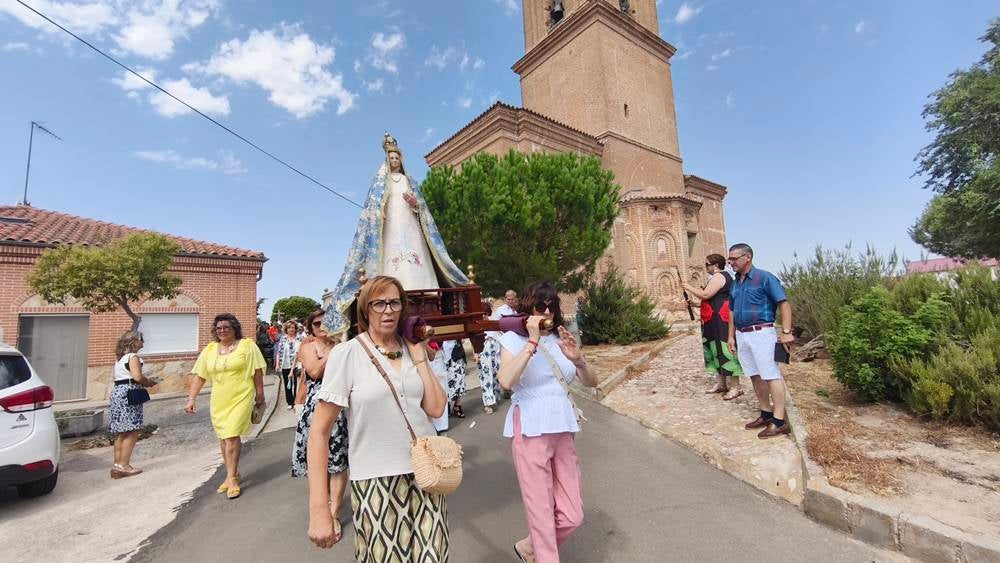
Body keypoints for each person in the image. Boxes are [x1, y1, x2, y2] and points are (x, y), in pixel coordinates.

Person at [307, 276, 448, 560]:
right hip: (376, 481)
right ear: (365, 309)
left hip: (426, 475)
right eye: (379, 303)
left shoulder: (412, 348)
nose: (388, 310)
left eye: (395, 302)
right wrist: (320, 509)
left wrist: (420, 356)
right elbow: (319, 433)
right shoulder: (347, 354)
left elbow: (435, 409)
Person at [322, 133, 468, 340]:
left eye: (397, 158)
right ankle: (394, 294)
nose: (394, 161)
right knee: (392, 257)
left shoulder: (410, 182)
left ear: (401, 160)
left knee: (416, 256)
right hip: (389, 227)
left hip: (410, 225)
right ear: (386, 161)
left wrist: (415, 204)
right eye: (391, 158)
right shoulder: (380, 184)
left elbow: (422, 208)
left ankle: (424, 298)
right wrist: (380, 212)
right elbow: (371, 209)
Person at [499, 281, 599, 563]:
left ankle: (530, 546)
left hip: (563, 427)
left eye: (551, 305)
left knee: (572, 514)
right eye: (540, 305)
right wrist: (531, 342)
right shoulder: (512, 340)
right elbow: (506, 381)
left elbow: (592, 382)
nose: (547, 310)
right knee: (541, 513)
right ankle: (542, 553)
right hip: (530, 426)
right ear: (528, 307)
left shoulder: (561, 340)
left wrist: (579, 360)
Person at [185, 314, 266, 499]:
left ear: (234, 328)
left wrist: (260, 394)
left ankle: (231, 478)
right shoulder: (210, 349)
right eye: (218, 328)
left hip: (241, 395)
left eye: (226, 327)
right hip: (219, 398)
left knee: (231, 435)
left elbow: (257, 371)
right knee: (223, 438)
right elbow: (200, 376)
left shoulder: (247, 345)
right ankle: (233, 473)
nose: (221, 331)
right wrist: (191, 398)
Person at [726, 243, 795, 439]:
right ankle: (765, 413)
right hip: (742, 334)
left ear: (748, 257)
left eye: (734, 258)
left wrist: (787, 331)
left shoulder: (764, 277)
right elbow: (731, 311)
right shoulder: (735, 283)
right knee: (754, 376)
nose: (731, 262)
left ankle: (779, 421)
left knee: (770, 375)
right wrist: (731, 336)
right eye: (730, 259)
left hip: (762, 333)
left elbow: (784, 303)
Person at [291, 310, 349, 535]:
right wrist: (336, 350)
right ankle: (322, 507)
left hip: (342, 407)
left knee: (339, 462)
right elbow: (314, 371)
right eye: (317, 324)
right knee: (320, 462)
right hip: (316, 407)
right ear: (311, 328)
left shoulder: (343, 345)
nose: (322, 326)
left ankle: (334, 512)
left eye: (327, 322)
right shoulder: (308, 347)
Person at [684, 254, 745, 400]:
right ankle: (721, 383)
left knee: (725, 350)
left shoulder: (720, 277)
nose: (706, 267)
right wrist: (693, 304)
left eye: (707, 264)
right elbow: (711, 300)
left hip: (721, 320)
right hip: (712, 319)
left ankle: (736, 387)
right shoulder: (714, 279)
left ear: (716, 265)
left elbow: (706, 294)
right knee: (714, 350)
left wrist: (688, 287)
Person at [108, 331, 158, 479]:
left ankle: (117, 465)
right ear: (134, 341)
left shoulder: (120, 359)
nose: (143, 343)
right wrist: (148, 382)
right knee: (133, 430)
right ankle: (125, 465)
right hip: (129, 393)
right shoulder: (133, 357)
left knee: (122, 432)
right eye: (142, 340)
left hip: (118, 392)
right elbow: (137, 377)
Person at [477, 290, 518, 414]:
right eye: (508, 299)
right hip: (485, 349)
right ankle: (488, 402)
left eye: (485, 313)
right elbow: (494, 328)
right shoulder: (500, 311)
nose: (483, 316)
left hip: (499, 347)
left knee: (496, 373)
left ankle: (496, 396)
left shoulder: (516, 312)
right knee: (486, 375)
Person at [275, 321, 303, 410]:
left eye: (293, 327)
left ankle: (296, 401)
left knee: (296, 383)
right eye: (289, 327)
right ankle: (290, 402)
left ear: (296, 329)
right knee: (287, 383)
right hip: (285, 364)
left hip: (297, 364)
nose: (291, 329)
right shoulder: (283, 339)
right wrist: (277, 365)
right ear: (286, 329)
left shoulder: (300, 338)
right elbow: (278, 352)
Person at [443, 338, 468, 419]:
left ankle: (457, 404)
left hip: (456, 349)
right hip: (442, 349)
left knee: (459, 378)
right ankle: (446, 404)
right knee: (444, 381)